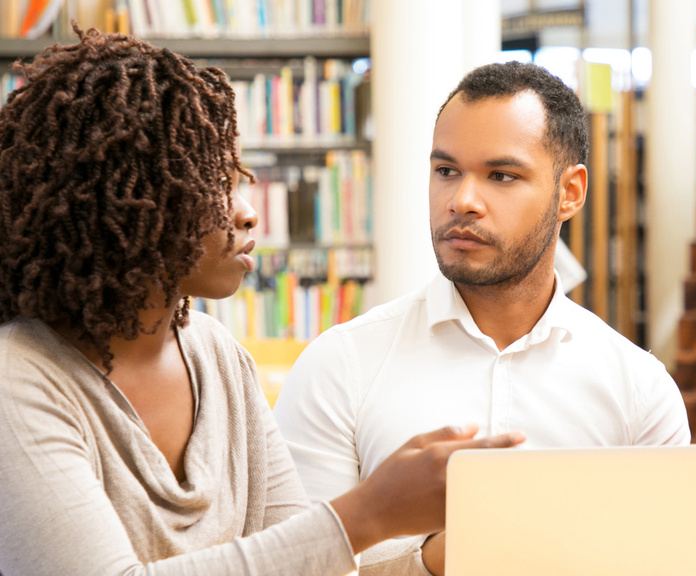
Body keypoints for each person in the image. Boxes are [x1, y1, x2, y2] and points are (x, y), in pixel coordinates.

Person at [0, 27, 524, 576]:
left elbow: (298, 561)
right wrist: (368, 513)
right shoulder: (20, 377)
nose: (248, 211)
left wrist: (431, 556)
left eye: (240, 180)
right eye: (214, 184)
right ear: (122, 197)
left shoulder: (216, 354)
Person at [273, 61, 691, 575]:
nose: (462, 201)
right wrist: (437, 558)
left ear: (571, 192)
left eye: (501, 175)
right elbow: (293, 566)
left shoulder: (639, 388)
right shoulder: (340, 366)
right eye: (446, 171)